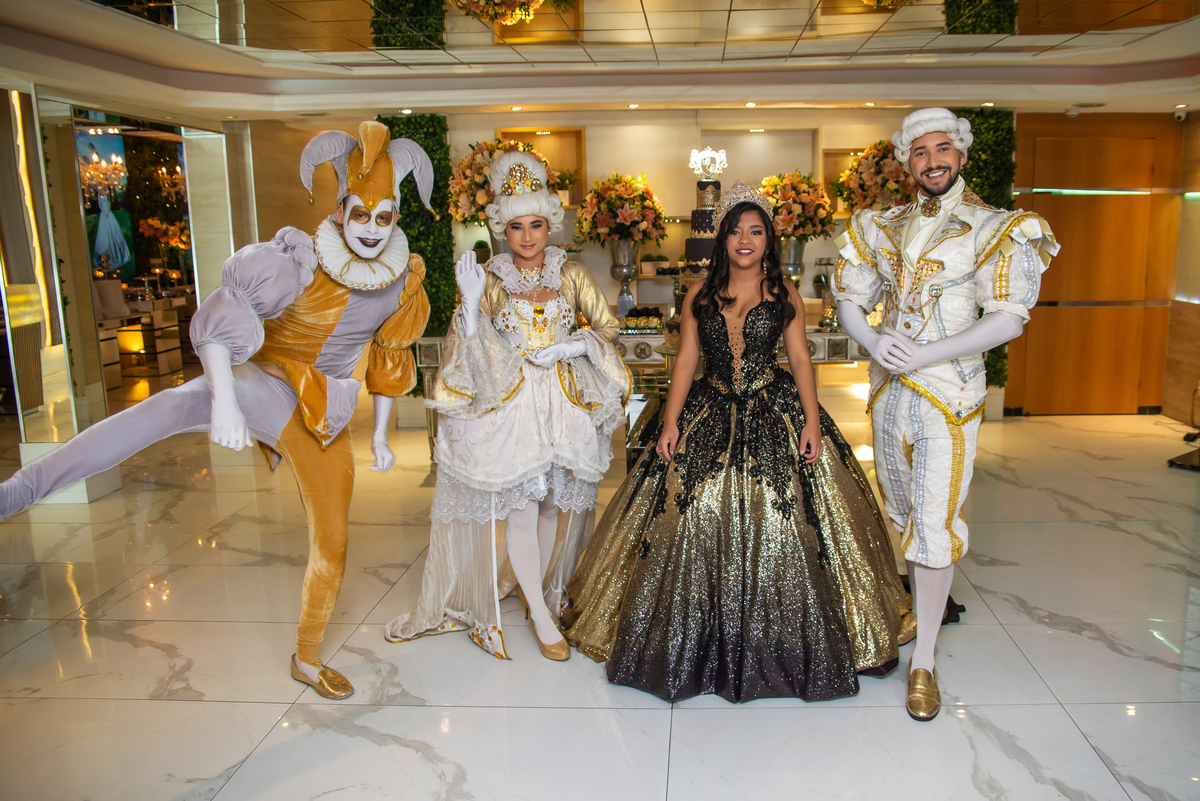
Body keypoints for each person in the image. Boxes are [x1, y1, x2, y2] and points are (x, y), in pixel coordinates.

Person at [0, 121, 435, 700]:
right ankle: (18, 492)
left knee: (333, 538)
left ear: (397, 218)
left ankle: (307, 659)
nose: (372, 229)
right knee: (169, 407)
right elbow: (221, 316)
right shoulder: (299, 259)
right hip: (262, 380)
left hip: (322, 412)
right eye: (361, 215)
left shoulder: (404, 282)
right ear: (340, 210)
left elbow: (386, 359)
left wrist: (379, 434)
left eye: (383, 218)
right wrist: (224, 398)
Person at [562, 183, 909, 703]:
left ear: (768, 239)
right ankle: (693, 636)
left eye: (756, 231)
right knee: (691, 507)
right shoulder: (700, 296)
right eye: (736, 231)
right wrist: (670, 424)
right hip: (710, 407)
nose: (745, 240)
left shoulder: (783, 292)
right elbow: (685, 361)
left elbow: (799, 360)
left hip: (776, 407)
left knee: (786, 514)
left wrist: (811, 423)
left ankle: (783, 638)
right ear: (722, 239)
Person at [833, 108, 1059, 721]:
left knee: (934, 522)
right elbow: (850, 299)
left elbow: (1008, 318)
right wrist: (873, 341)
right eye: (919, 152)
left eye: (941, 150)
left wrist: (925, 354)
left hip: (949, 395)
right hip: (889, 393)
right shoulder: (880, 224)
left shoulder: (997, 227)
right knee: (904, 513)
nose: (931, 161)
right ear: (906, 162)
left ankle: (925, 661)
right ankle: (918, 612)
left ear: (960, 156)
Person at [384, 151, 630, 661]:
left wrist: (570, 346)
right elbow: (469, 352)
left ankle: (529, 585)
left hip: (563, 402)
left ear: (549, 224)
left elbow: (607, 329)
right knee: (521, 508)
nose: (526, 236)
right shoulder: (491, 279)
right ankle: (539, 613)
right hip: (513, 405)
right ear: (502, 227)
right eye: (516, 226)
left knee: (549, 505)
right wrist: (471, 308)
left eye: (535, 224)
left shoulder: (571, 274)